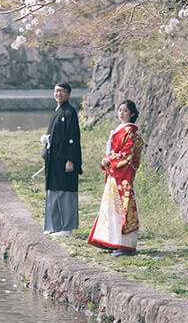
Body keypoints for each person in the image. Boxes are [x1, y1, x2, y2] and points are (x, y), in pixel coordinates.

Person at [88, 100, 142, 255]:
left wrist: (109, 160)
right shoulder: (119, 130)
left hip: (122, 175)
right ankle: (112, 241)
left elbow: (127, 154)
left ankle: (123, 244)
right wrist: (108, 159)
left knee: (121, 207)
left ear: (132, 114)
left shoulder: (129, 132)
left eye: (125, 111)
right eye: (119, 110)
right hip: (114, 174)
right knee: (110, 207)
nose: (121, 113)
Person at [42, 82, 82, 236]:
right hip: (54, 158)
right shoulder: (57, 111)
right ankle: (53, 226)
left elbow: (73, 138)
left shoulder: (69, 112)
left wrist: (71, 159)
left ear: (68, 94)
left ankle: (66, 228)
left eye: (62, 91)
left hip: (65, 159)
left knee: (65, 191)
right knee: (53, 190)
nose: (58, 94)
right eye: (56, 91)